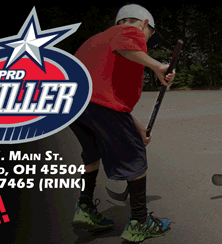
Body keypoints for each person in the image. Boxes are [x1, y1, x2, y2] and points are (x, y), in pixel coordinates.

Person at [69, 4, 174, 242]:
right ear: (144, 23)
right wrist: (158, 66)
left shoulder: (95, 40)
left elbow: (100, 91)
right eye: (149, 35)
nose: (145, 41)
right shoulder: (130, 31)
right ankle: (139, 221)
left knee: (92, 153)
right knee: (134, 157)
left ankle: (85, 207)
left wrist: (136, 127)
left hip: (73, 105)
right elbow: (124, 45)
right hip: (100, 105)